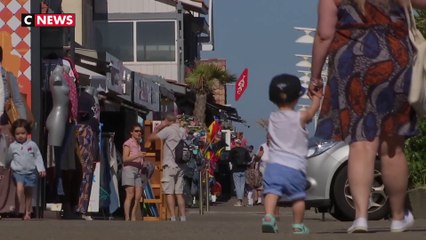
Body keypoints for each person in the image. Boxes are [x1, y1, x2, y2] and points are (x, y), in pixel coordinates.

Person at [310, 0, 426, 233]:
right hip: (395, 61)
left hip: (352, 65)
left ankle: (361, 217)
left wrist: (315, 77)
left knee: (360, 143)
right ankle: (397, 217)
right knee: (392, 146)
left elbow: (324, 35)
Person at [261, 74, 322, 234]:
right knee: (298, 197)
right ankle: (297, 225)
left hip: (274, 166)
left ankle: (268, 216)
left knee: (272, 192)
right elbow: (312, 112)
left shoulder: (273, 117)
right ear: (296, 98)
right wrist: (316, 98)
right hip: (295, 167)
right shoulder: (300, 117)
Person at [146, 114, 187, 222]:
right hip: (181, 165)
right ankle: (183, 217)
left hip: (169, 164)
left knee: (169, 192)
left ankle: (172, 217)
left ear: (168, 120)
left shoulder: (168, 130)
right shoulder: (182, 130)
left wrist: (159, 127)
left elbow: (151, 138)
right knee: (179, 193)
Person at [5, 119, 46, 220]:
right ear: (14, 134)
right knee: (19, 188)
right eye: (17, 134)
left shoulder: (32, 145)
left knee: (28, 194)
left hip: (30, 172)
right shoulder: (13, 146)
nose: (20, 136)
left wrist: (41, 169)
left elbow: (38, 157)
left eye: (23, 133)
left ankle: (27, 212)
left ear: (27, 132)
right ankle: (19, 208)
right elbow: (8, 157)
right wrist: (6, 165)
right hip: (18, 172)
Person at [122, 123, 145, 221]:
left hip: (138, 170)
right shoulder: (128, 143)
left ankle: (133, 215)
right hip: (129, 169)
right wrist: (138, 155)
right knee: (130, 194)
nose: (139, 133)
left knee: (138, 195)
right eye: (136, 131)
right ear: (131, 132)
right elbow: (125, 158)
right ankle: (128, 217)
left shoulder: (139, 144)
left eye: (140, 131)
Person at [229, 138, 251, 207]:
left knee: (237, 185)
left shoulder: (232, 150)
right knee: (242, 185)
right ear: (240, 143)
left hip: (236, 169)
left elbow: (229, 159)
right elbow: (249, 159)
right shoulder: (245, 150)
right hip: (243, 169)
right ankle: (241, 200)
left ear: (235, 143)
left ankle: (239, 201)